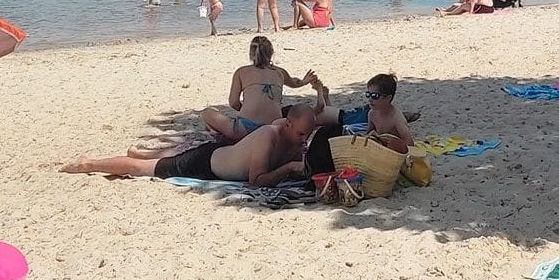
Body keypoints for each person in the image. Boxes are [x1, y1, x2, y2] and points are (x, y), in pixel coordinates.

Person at [63, 105, 318, 186]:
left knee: (150, 163)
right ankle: (89, 164)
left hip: (219, 157)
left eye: (306, 135)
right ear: (287, 124)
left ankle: (134, 153)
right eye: (300, 134)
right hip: (205, 163)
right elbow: (256, 180)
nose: (303, 139)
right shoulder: (268, 136)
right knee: (143, 169)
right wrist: (289, 168)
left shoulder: (293, 137)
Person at [200, 35, 317, 140]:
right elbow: (294, 83)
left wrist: (247, 109)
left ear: (251, 54)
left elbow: (233, 102)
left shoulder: (241, 72)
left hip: (245, 128)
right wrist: (304, 81)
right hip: (273, 127)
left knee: (207, 112)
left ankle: (215, 131)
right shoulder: (280, 72)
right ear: (271, 53)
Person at [314, 73, 416, 154]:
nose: (370, 99)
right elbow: (370, 134)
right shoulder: (372, 114)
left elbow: (410, 143)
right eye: (368, 95)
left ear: (388, 98)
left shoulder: (396, 118)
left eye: (375, 96)